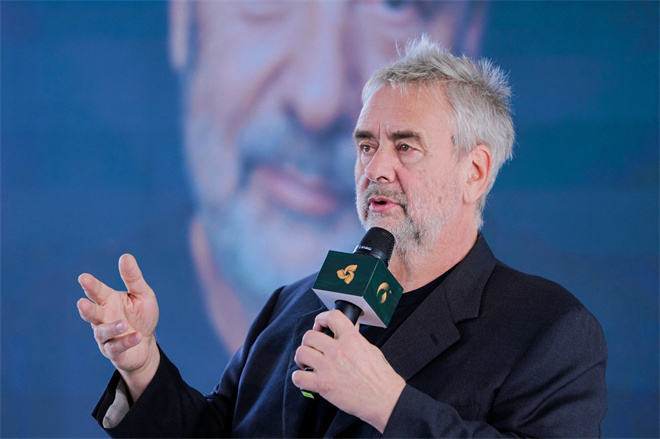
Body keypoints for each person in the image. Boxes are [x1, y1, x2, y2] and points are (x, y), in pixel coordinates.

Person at [78, 37, 608, 437]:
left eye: (406, 147)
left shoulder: (549, 331)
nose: (375, 169)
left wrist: (389, 404)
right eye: (366, 146)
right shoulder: (292, 305)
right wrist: (142, 366)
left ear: (475, 172)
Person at [168, 0, 488, 352]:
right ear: (182, 13)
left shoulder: (527, 341)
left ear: (467, 43)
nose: (318, 103)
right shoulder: (125, 337)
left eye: (394, 5)